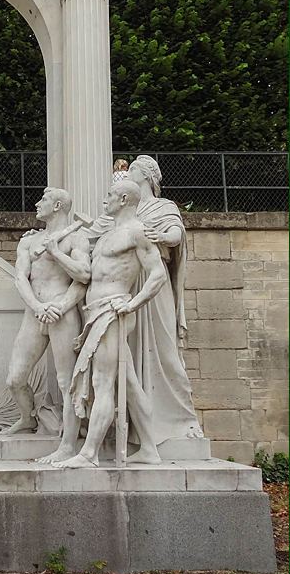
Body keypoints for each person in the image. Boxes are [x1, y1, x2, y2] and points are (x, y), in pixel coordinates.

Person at [39, 180, 166, 469]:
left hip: (112, 312)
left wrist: (132, 303)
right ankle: (149, 448)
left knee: (101, 382)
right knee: (129, 385)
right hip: (95, 312)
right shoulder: (109, 232)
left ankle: (89, 453)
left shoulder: (136, 231)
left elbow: (156, 274)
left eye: (109, 195)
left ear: (123, 199)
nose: (105, 199)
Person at [4, 188, 91, 461]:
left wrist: (61, 305)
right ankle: (27, 418)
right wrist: (38, 307)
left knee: (67, 383)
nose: (37, 204)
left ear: (57, 206)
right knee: (15, 378)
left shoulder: (76, 238)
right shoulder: (29, 241)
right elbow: (20, 278)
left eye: (43, 200)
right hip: (36, 312)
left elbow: (84, 277)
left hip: (62, 315)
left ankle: (67, 445)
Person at [126, 154, 204, 441]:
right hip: (131, 282)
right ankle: (139, 426)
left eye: (131, 168)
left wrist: (160, 235)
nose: (126, 171)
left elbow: (175, 234)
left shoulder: (163, 206)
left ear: (146, 175)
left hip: (155, 282)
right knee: (133, 354)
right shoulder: (128, 208)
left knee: (166, 350)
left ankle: (183, 420)